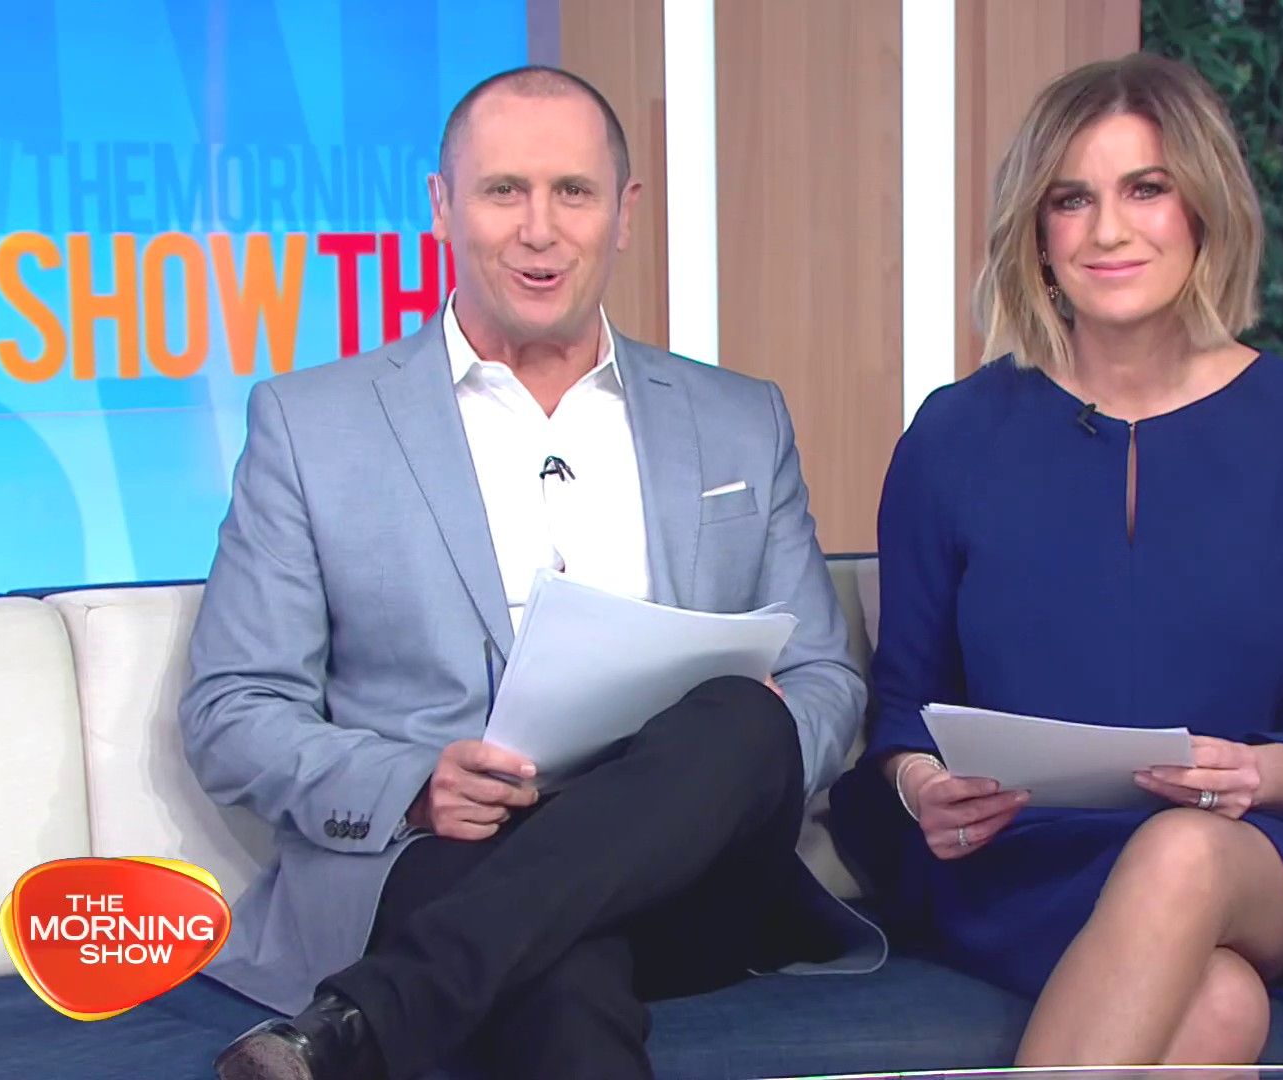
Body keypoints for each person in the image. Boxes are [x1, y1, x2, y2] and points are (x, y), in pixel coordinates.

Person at [183, 65, 874, 1080]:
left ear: (624, 214)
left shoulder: (739, 418)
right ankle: (399, 1000)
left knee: (741, 714)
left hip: (687, 876)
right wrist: (415, 788)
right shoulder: (311, 426)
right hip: (443, 859)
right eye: (504, 190)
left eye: (573, 192)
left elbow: (824, 679)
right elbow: (233, 710)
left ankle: (367, 1016)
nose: (538, 231)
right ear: (442, 206)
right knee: (554, 970)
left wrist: (743, 755)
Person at [827, 52, 1283, 1068]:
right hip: (1023, 858)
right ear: (1037, 231)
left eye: (1146, 188)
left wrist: (1250, 774)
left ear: (1204, 207)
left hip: (1249, 851)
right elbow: (905, 706)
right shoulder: (954, 436)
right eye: (1072, 200)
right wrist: (925, 785)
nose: (1108, 231)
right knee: (1218, 1007)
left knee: (1179, 852)